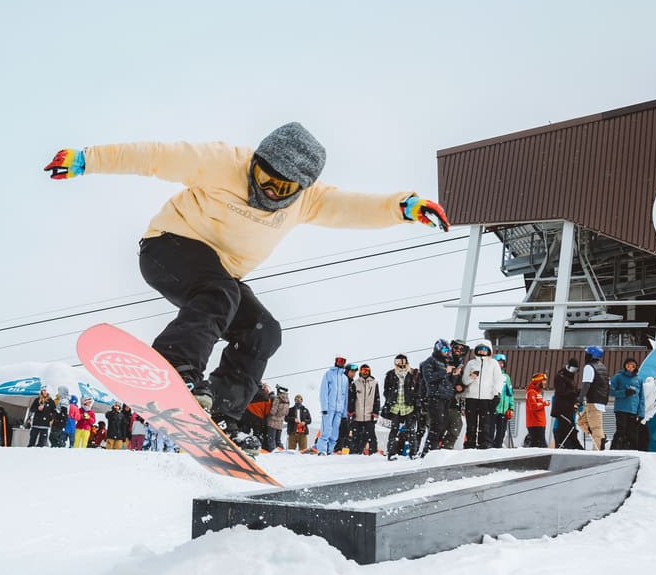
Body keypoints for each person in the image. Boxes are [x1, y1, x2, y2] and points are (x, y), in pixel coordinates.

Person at [45, 124, 448, 450]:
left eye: (283, 189)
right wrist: (86, 160)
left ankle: (218, 411)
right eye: (264, 178)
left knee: (263, 333)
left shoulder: (309, 200)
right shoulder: (223, 162)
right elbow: (154, 156)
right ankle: (176, 365)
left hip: (220, 277)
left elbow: (354, 206)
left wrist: (404, 207)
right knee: (220, 292)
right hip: (167, 248)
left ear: (301, 188)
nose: (270, 191)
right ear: (254, 162)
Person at [418, 339, 457, 456]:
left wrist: (454, 375)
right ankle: (428, 451)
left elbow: (449, 383)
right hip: (435, 397)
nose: (447, 352)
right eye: (444, 350)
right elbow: (429, 378)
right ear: (438, 349)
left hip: (445, 397)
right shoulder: (429, 362)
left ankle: (433, 451)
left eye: (448, 350)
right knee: (437, 425)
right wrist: (445, 371)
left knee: (443, 425)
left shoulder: (446, 362)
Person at [462, 340, 504, 449]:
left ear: (489, 350)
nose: (482, 351)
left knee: (485, 422)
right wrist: (471, 377)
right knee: (471, 422)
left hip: (487, 398)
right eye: (480, 348)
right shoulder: (471, 363)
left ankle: (484, 443)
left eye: (485, 349)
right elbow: (464, 381)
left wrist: (496, 394)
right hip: (471, 397)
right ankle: (470, 443)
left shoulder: (493, 363)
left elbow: (498, 380)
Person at [382, 355, 421, 461]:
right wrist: (390, 399)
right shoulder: (391, 374)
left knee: (411, 431)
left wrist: (415, 402)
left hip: (408, 406)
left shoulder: (413, 374)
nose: (401, 364)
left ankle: (413, 453)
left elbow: (418, 390)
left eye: (402, 361)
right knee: (394, 430)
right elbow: (386, 390)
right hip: (395, 406)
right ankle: (391, 453)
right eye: (398, 362)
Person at [576, 346, 609, 450]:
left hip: (594, 401)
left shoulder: (589, 367)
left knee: (596, 428)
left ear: (590, 355)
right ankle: (601, 437)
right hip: (600, 400)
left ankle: (599, 449)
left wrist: (579, 400)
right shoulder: (603, 367)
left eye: (587, 354)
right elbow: (608, 385)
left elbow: (586, 384)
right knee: (581, 421)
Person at [608, 357, 645, 450]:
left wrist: (641, 413)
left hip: (633, 410)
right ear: (625, 366)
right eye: (628, 365)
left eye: (633, 366)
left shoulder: (639, 379)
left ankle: (631, 451)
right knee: (621, 430)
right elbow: (611, 391)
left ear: (636, 367)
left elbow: (641, 398)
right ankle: (614, 449)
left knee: (632, 433)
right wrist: (624, 393)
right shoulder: (618, 376)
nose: (630, 368)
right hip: (621, 409)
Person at [316, 356, 350, 455]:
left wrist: (344, 412)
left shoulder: (344, 378)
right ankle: (322, 450)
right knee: (326, 429)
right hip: (329, 408)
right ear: (336, 361)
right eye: (339, 360)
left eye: (343, 361)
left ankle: (330, 450)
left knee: (335, 432)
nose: (341, 363)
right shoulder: (329, 374)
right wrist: (324, 408)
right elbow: (323, 392)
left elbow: (345, 397)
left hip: (339, 410)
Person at [442, 339, 469, 449]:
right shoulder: (444, 361)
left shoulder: (461, 365)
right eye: (456, 347)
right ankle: (432, 450)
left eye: (462, 349)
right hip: (441, 401)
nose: (458, 350)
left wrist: (460, 387)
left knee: (457, 425)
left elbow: (462, 383)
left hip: (454, 402)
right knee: (439, 428)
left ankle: (446, 447)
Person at [349, 364, 381, 455]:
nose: (365, 373)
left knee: (371, 436)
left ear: (369, 371)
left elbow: (377, 398)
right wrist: (351, 411)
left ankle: (373, 453)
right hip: (357, 416)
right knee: (356, 436)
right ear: (360, 372)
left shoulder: (374, 383)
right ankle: (355, 453)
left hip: (369, 416)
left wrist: (376, 412)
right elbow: (352, 398)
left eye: (366, 371)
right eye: (363, 371)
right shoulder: (355, 383)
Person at [550, 359, 581, 449]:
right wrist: (575, 392)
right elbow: (561, 392)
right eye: (572, 369)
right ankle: (566, 445)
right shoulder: (560, 377)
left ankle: (572, 445)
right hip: (562, 409)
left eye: (575, 370)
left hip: (569, 408)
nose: (573, 372)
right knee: (565, 428)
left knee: (570, 427)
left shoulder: (571, 379)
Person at [489, 354, 515, 449]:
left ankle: (498, 447)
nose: (500, 365)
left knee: (501, 432)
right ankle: (489, 447)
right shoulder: (490, 375)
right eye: (498, 363)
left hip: (504, 409)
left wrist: (511, 407)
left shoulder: (506, 377)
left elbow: (510, 393)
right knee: (490, 430)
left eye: (502, 363)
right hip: (493, 408)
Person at [523, 372, 550, 448]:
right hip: (535, 423)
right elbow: (534, 407)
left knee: (539, 445)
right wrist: (544, 403)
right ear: (538, 381)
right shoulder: (531, 392)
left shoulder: (537, 393)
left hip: (539, 423)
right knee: (538, 445)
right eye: (543, 380)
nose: (545, 382)